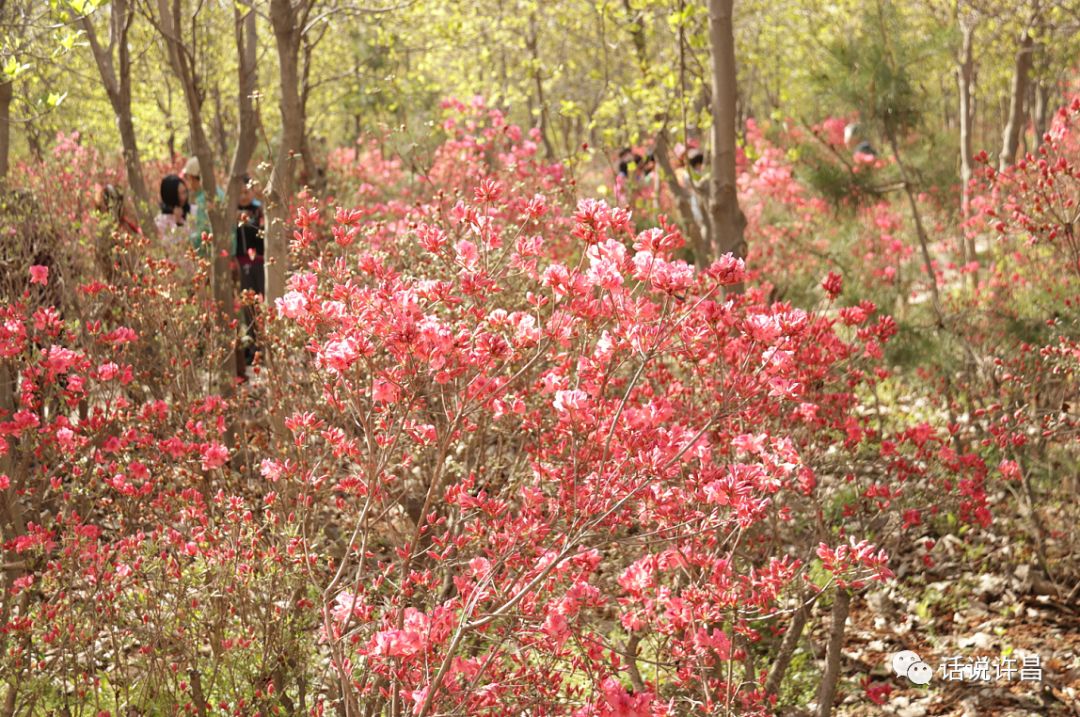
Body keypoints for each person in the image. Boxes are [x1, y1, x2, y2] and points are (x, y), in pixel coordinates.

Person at [235, 173, 265, 367]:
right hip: (242, 261)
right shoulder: (233, 211)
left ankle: (264, 345)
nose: (243, 196)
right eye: (240, 193)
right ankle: (252, 347)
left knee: (262, 302)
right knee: (248, 306)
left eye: (246, 192)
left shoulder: (259, 210)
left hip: (260, 261)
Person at [183, 156, 227, 258]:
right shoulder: (218, 192)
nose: (189, 183)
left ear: (195, 178)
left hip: (213, 256)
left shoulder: (204, 199)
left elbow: (203, 232)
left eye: (189, 178)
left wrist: (185, 241)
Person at [155, 174, 190, 247]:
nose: (182, 197)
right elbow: (166, 245)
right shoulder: (161, 220)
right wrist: (177, 223)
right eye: (178, 194)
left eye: (184, 192)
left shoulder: (193, 210)